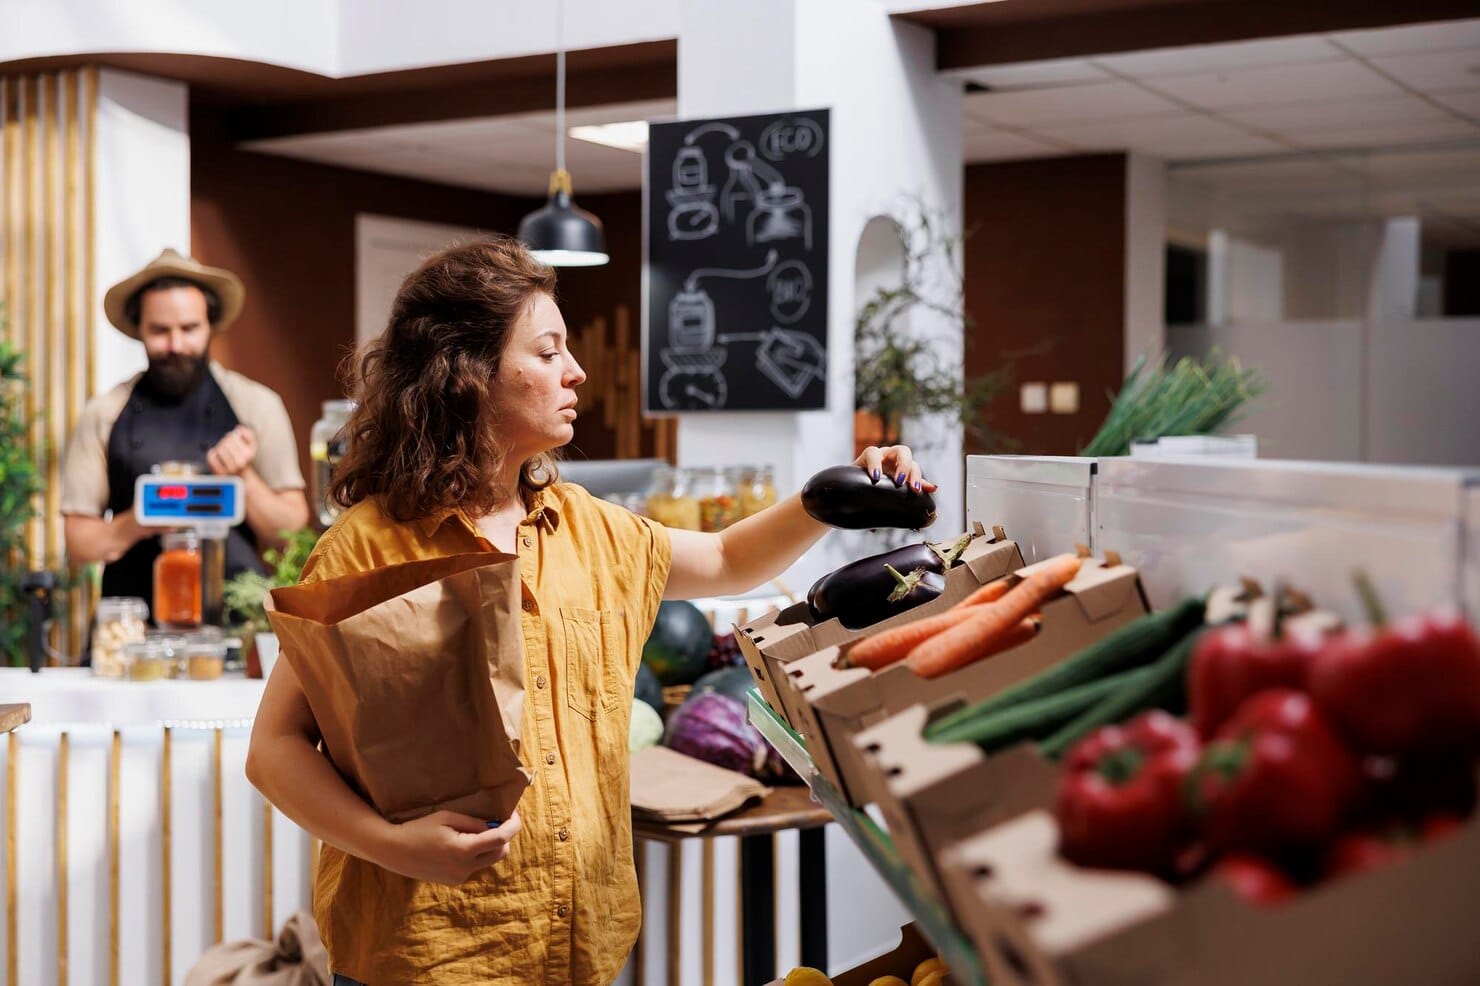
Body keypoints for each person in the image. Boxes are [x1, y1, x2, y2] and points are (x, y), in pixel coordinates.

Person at [245, 236, 935, 985]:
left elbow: (731, 560)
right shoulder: (368, 548)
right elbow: (276, 748)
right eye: (547, 353)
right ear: (468, 374)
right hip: (430, 956)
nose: (575, 373)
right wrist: (393, 844)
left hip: (579, 949)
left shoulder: (589, 529)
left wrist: (829, 496)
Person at [60, 249, 309, 621]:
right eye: (160, 331)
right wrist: (139, 521)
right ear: (139, 330)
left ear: (210, 325)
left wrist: (244, 478)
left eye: (189, 329)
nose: (176, 345)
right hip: (131, 627)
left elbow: (292, 535)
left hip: (236, 621)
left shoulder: (257, 406)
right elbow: (78, 543)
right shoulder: (104, 413)